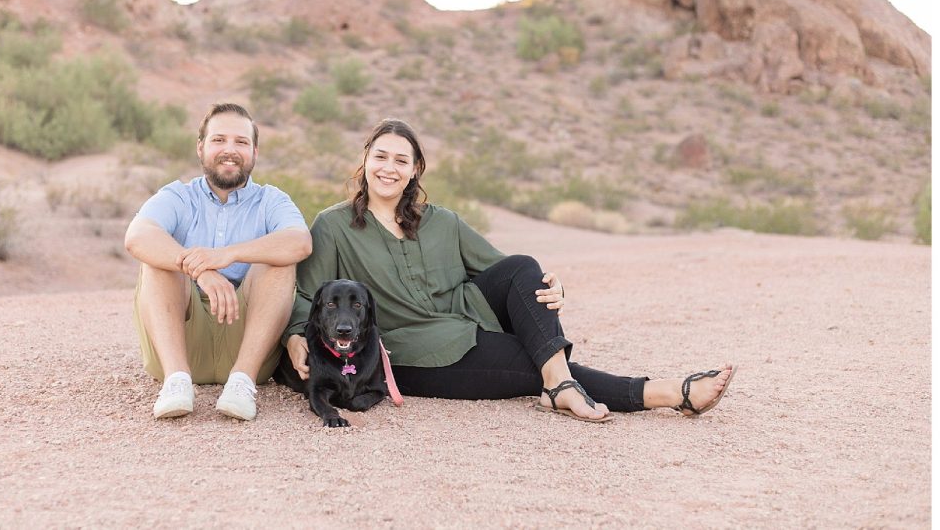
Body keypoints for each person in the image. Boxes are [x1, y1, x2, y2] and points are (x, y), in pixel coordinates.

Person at [280, 119, 735, 422]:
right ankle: (664, 393)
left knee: (525, 267)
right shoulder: (334, 224)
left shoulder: (443, 221)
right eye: (380, 156)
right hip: (416, 351)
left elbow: (506, 272)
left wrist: (548, 286)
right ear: (365, 161)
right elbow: (308, 295)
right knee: (527, 359)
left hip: (464, 318)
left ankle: (560, 385)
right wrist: (296, 335)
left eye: (402, 160)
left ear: (416, 169)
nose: (389, 168)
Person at [125, 103, 312, 421]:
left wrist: (230, 254)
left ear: (254, 151)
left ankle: (241, 383)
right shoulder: (178, 197)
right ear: (200, 148)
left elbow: (300, 242)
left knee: (276, 259)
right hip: (181, 339)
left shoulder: (272, 201)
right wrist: (199, 268)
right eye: (218, 140)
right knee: (159, 260)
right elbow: (137, 236)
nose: (230, 150)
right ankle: (176, 382)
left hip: (249, 346)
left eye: (240, 142)